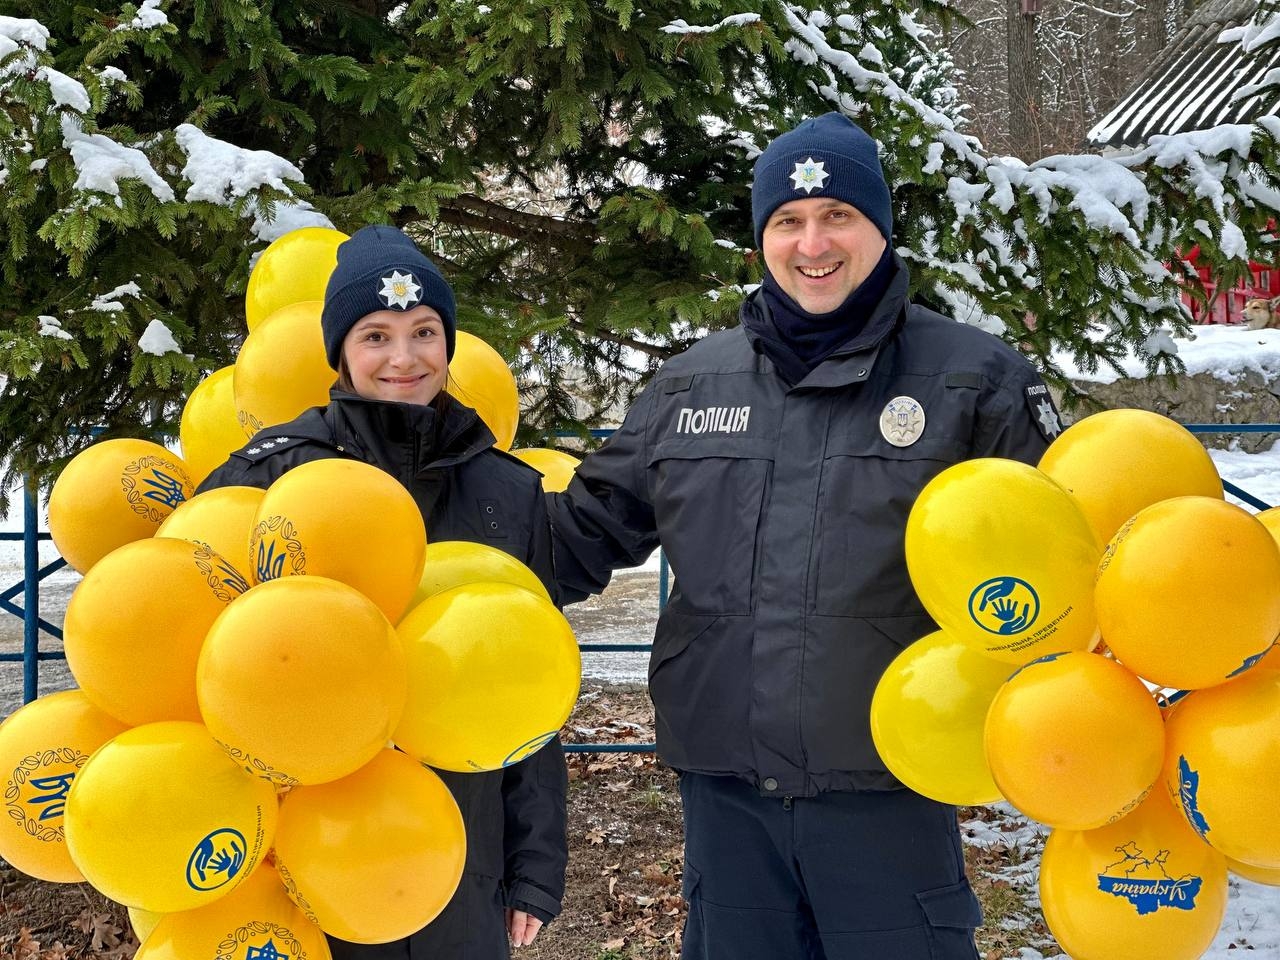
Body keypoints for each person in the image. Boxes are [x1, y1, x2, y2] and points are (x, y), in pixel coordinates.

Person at [547, 113, 1063, 960]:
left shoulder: (978, 381)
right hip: (728, 803)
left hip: (892, 793)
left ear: (880, 230)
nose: (812, 242)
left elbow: (1068, 575)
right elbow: (578, 535)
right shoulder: (688, 386)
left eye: (839, 216)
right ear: (761, 242)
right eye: (788, 220)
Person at [201, 225, 567, 959]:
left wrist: (534, 867)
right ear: (340, 350)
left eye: (424, 331)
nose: (404, 358)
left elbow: (530, 688)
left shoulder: (505, 490)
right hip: (311, 848)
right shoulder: (271, 478)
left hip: (462, 846)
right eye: (375, 335)